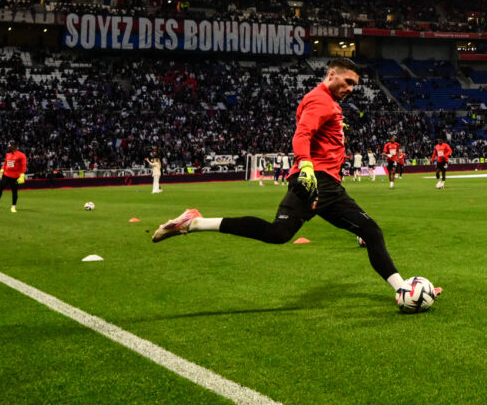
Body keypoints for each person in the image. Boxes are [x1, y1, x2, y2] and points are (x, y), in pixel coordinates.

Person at [150, 58, 435, 309]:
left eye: (354, 85)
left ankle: (403, 289)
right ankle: (194, 223)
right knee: (293, 232)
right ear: (331, 74)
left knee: (352, 231)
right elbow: (302, 134)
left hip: (326, 184)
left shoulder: (328, 103)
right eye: (347, 82)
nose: (351, 88)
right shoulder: (320, 100)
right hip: (317, 180)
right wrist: (307, 166)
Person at [0, 146, 27, 214]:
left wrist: (22, 174)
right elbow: (5, 163)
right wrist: (2, 169)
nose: (8, 148)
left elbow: (23, 165)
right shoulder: (8, 154)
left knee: (14, 191)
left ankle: (13, 207)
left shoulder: (21, 155)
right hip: (6, 175)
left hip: (15, 176)